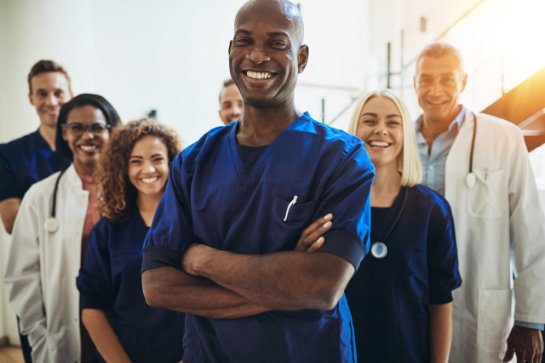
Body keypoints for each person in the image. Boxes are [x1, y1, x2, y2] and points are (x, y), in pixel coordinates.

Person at [141, 0, 375, 362]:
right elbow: (157, 286)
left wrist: (200, 260)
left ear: (302, 57)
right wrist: (286, 282)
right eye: (244, 41)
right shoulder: (194, 162)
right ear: (230, 50)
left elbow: (321, 286)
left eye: (277, 43)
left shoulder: (341, 159)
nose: (257, 55)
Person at [413, 42, 545, 363]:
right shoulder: (399, 138)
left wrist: (529, 318)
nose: (435, 90)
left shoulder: (503, 138)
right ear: (414, 82)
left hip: (475, 297)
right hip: (411, 291)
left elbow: (529, 229)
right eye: (426, 79)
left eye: (447, 79)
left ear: (464, 82)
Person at [342, 89, 461, 362]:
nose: (380, 130)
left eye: (392, 123)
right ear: (355, 129)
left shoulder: (432, 210)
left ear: (405, 133)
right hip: (343, 352)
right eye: (370, 121)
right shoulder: (335, 204)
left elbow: (440, 301)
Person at [5, 94, 121, 363]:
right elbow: (22, 276)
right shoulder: (41, 196)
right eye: (76, 128)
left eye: (97, 127)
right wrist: (40, 337)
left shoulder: (130, 190)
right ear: (64, 134)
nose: (87, 136)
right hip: (65, 327)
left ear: (111, 132)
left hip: (122, 321)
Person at [76, 119, 185, 363]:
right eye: (136, 161)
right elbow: (92, 307)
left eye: (157, 159)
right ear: (122, 168)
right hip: (122, 354)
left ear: (172, 163)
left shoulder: (192, 225)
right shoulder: (108, 231)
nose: (148, 170)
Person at [0, 59, 72, 235]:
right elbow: (13, 223)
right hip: (38, 258)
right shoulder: (8, 154)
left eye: (59, 93)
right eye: (42, 94)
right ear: (31, 98)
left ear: (71, 95)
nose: (51, 102)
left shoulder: (87, 149)